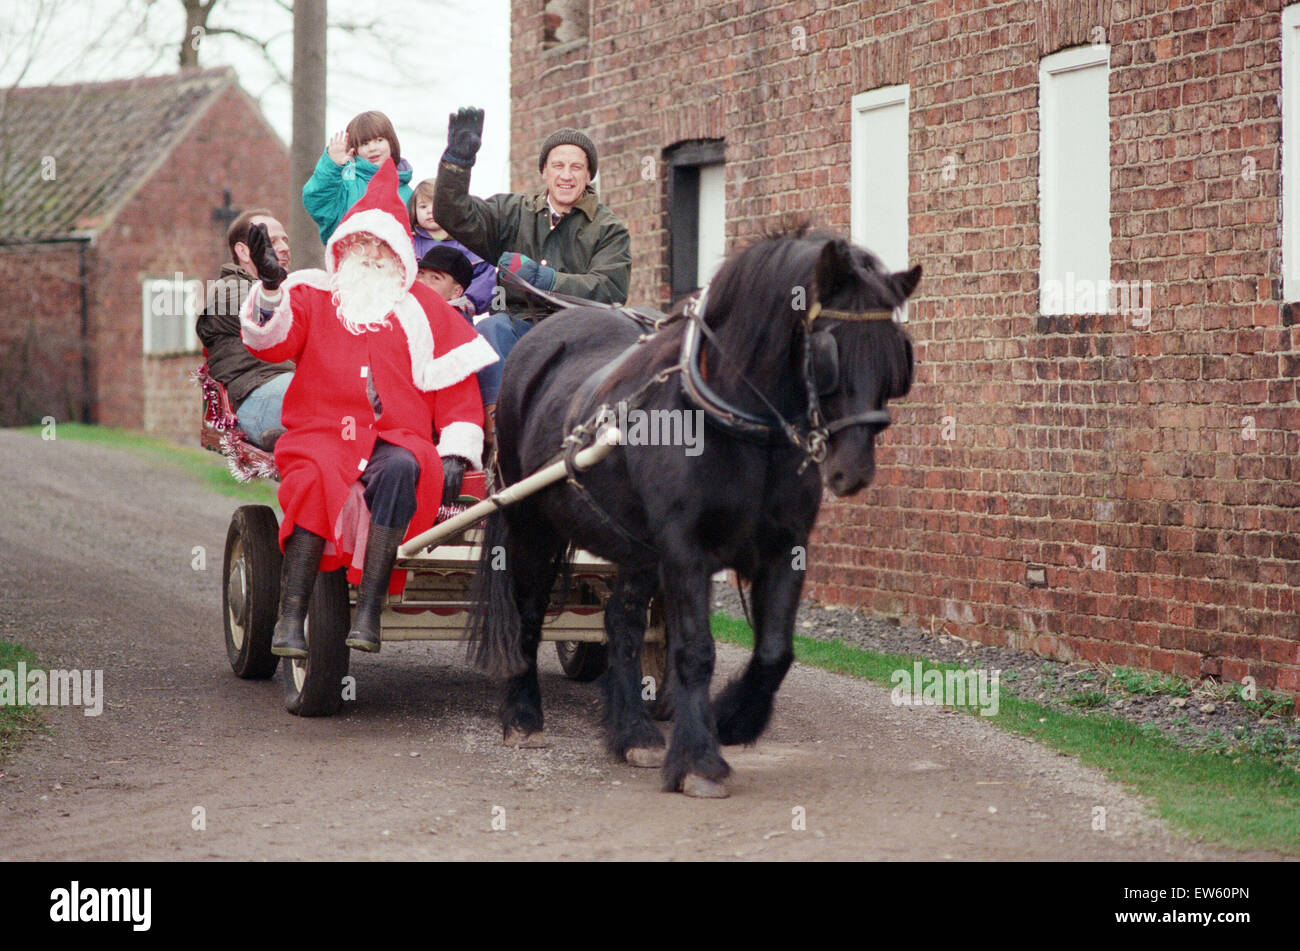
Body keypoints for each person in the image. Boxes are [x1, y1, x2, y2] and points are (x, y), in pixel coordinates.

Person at [241, 159, 498, 657]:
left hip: (396, 437)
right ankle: (290, 619)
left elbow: (456, 389)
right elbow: (269, 345)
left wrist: (457, 450)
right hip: (318, 433)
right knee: (315, 481)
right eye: (362, 244)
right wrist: (272, 289)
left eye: (383, 248)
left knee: (406, 466)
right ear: (344, 248)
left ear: (400, 255)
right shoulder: (313, 295)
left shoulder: (423, 308)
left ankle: (368, 610)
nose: (371, 255)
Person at [433, 108, 631, 421]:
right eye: (558, 166)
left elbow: (610, 290)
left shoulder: (608, 228)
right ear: (545, 172)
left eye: (576, 167)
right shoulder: (512, 211)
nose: (566, 175)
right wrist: (458, 162)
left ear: (589, 175)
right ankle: (498, 429)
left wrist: (546, 279)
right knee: (491, 327)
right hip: (517, 327)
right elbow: (453, 214)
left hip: (576, 333)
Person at [195, 209, 294, 450]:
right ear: (243, 251)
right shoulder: (226, 290)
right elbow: (267, 315)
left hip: (288, 390)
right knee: (322, 391)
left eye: (285, 240)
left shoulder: (290, 288)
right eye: (271, 241)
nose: (284, 247)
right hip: (257, 396)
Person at [302, 110, 414, 244]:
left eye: (379, 140)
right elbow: (316, 200)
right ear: (355, 149)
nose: (372, 148)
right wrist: (332, 166)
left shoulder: (408, 193)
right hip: (352, 258)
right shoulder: (345, 184)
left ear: (391, 142)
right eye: (364, 144)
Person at [408, 178, 495, 317]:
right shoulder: (410, 244)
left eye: (436, 205)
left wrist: (468, 302)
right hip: (414, 311)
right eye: (423, 206)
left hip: (455, 313)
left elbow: (486, 279)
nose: (430, 211)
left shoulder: (470, 244)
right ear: (413, 210)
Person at [415, 245, 476, 318]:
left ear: (456, 292)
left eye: (435, 278)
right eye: (420, 273)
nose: (421, 281)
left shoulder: (456, 326)